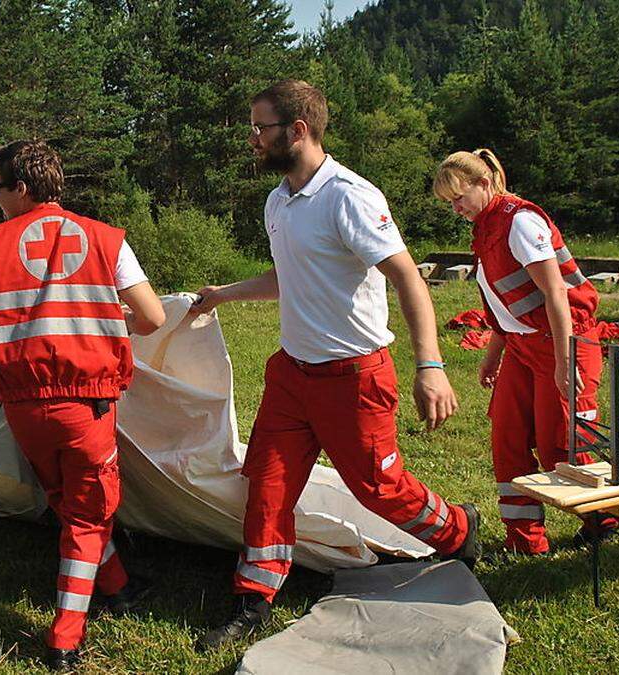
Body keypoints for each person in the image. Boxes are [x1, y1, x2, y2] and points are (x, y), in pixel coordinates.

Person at [191, 80, 481, 650]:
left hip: (354, 376)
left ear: (297, 130)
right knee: (268, 487)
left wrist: (431, 365)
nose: (252, 138)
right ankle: (253, 599)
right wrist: (224, 293)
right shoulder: (279, 200)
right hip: (291, 375)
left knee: (379, 487)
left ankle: (458, 530)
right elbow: (289, 277)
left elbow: (407, 278)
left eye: (260, 127)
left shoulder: (350, 196)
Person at [0, 140, 166, 671]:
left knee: (66, 501)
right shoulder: (107, 240)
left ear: (21, 188)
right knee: (87, 515)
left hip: (23, 405)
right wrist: (94, 321)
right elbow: (152, 318)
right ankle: (64, 637)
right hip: (88, 404)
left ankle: (120, 585)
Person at [432, 149, 612, 554]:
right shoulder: (486, 224)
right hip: (522, 346)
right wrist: (493, 354)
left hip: (562, 343)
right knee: (508, 436)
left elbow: (555, 295)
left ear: (484, 183)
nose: (456, 208)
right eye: (450, 202)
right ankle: (525, 540)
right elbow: (505, 302)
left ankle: (606, 519)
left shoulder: (519, 221)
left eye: (459, 197)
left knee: (560, 443)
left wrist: (566, 363)